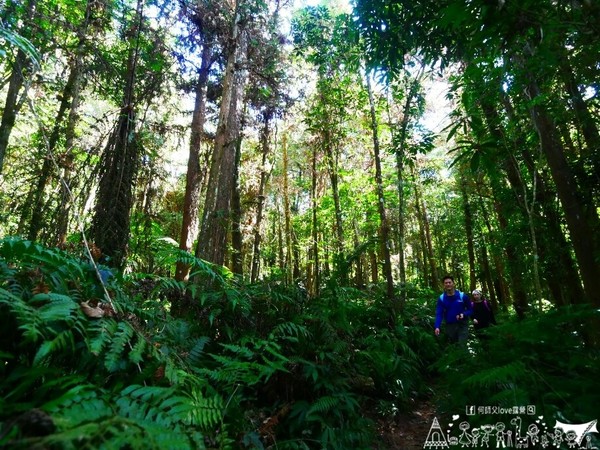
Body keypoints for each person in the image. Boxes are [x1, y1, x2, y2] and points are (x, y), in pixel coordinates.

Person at [434, 275, 472, 343]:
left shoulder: (462, 296)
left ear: (453, 284)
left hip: (462, 324)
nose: (448, 284)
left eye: (449, 282)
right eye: (446, 283)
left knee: (462, 344)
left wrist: (464, 314)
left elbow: (471, 309)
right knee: (454, 345)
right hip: (450, 325)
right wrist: (437, 326)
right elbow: (439, 314)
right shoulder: (441, 298)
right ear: (443, 285)